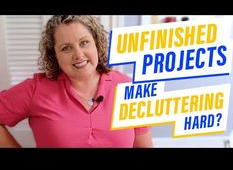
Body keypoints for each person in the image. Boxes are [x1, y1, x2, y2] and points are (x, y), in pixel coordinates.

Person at [0, 15, 153, 148]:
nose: (78, 55)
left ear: (97, 43)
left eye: (84, 42)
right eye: (66, 48)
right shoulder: (35, 89)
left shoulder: (128, 87)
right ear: (55, 55)